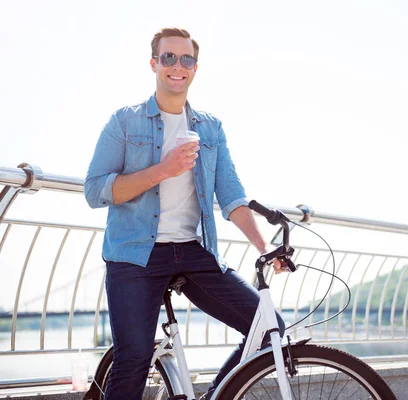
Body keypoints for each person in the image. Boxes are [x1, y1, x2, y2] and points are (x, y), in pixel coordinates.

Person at [84, 27, 286, 400]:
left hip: (193, 251)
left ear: (195, 68)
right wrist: (163, 169)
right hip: (134, 254)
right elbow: (95, 190)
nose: (178, 66)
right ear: (154, 64)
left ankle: (216, 395)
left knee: (269, 326)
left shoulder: (210, 127)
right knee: (134, 359)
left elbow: (231, 196)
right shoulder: (125, 122)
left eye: (186, 59)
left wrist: (263, 247)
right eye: (169, 58)